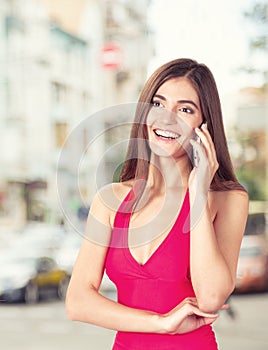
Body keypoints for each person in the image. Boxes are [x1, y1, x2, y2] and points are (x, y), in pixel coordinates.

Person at [66, 58, 248, 349]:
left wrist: (198, 191)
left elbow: (211, 298)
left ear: (204, 125)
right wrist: (162, 324)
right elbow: (77, 302)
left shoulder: (227, 200)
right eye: (158, 104)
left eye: (185, 109)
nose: (166, 119)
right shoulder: (110, 200)